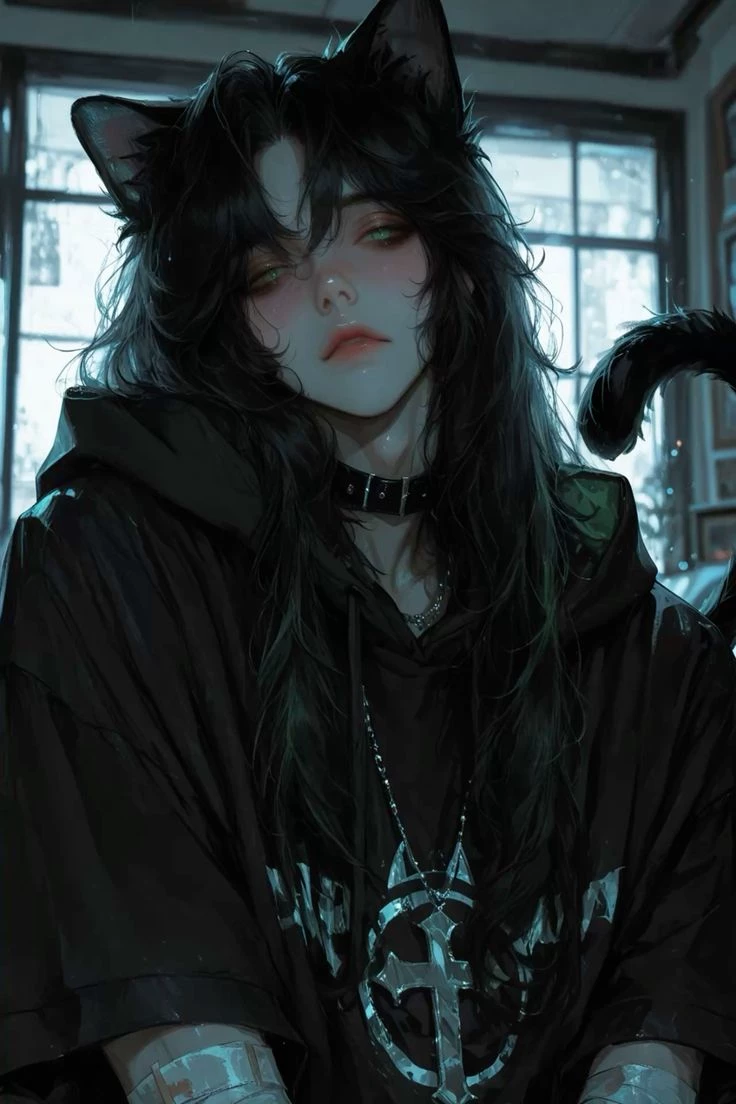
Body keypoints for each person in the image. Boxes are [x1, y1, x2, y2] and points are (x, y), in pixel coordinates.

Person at [1, 0, 735, 1101]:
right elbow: (167, 1014)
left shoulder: (644, 645)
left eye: (376, 230)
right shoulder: (108, 577)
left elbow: (666, 1013)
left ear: (456, 254)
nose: (330, 285)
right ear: (218, 316)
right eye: (267, 269)